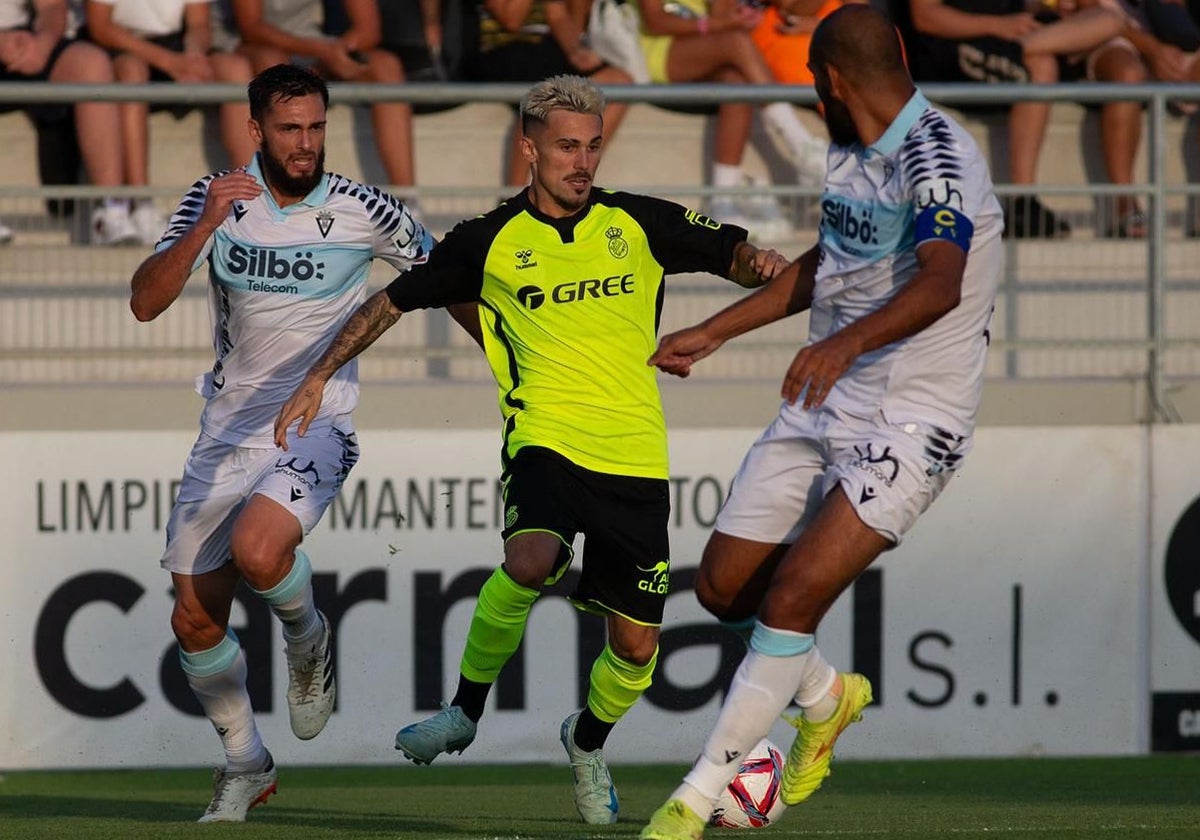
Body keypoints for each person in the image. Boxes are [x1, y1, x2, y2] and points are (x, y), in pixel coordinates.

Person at [273, 73, 780, 826]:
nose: (582, 162)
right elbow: (394, 298)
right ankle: (463, 712)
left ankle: (585, 739)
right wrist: (317, 374)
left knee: (638, 651)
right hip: (544, 438)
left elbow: (729, 251)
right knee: (530, 560)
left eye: (593, 147)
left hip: (635, 455)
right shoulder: (489, 239)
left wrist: (759, 263)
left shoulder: (636, 223)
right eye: (567, 147)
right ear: (529, 149)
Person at [638, 6, 1003, 839]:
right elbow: (828, 262)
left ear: (832, 81)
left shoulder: (937, 156)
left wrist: (843, 344)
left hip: (913, 417)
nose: (812, 96)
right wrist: (717, 328)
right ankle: (826, 699)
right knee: (725, 584)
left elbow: (941, 281)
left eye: (812, 83)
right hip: (827, 396)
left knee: (796, 592)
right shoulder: (850, 149)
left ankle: (694, 801)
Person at [128, 64, 451, 823]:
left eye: (315, 128)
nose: (305, 144)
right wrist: (207, 223)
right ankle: (246, 762)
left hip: (317, 421)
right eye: (289, 129)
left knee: (261, 552)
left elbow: (443, 272)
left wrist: (512, 372)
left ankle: (308, 640)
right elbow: (144, 301)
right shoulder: (214, 199)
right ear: (256, 131)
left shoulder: (362, 207)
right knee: (193, 621)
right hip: (226, 431)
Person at [896, 0, 1123, 239]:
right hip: (951, 50)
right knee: (1041, 66)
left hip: (1012, 37)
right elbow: (926, 17)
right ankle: (1022, 202)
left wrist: (1043, 11)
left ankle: (1022, 47)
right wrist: (998, 25)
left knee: (1109, 18)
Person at [633, 0, 831, 238]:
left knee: (736, 82)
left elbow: (724, 17)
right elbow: (655, 22)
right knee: (737, 42)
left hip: (699, 44)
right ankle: (800, 146)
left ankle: (721, 200)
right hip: (655, 48)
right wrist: (716, 24)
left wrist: (734, 16)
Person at [82, 0, 258, 245]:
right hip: (121, 45)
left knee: (235, 69)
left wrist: (193, 54)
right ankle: (140, 204)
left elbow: (198, 23)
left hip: (173, 44)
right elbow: (100, 27)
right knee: (133, 73)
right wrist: (168, 61)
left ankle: (250, 202)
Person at [229, 0, 420, 204]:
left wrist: (338, 53)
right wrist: (322, 52)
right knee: (275, 67)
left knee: (386, 66)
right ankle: (271, 200)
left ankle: (408, 203)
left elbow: (368, 29)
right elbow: (251, 28)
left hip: (313, 45)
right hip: (249, 45)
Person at [0, 0, 140, 245]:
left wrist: (42, 45)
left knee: (91, 65)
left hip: (21, 38)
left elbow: (52, 7)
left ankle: (111, 210)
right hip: (6, 41)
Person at [473, 0, 632, 186]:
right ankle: (514, 199)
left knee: (619, 83)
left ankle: (572, 177)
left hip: (546, 50)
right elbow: (511, 19)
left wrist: (576, 51)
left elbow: (557, 14)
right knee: (546, 94)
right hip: (505, 51)